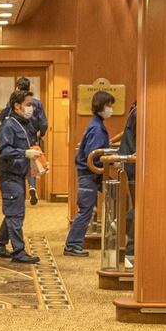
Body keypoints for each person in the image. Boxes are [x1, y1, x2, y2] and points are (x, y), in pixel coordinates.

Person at [0, 90, 43, 264]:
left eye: (32, 105)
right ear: (17, 106)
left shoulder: (26, 124)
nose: (32, 108)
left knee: (13, 212)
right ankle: (19, 252)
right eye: (28, 105)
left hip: (19, 175)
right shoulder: (7, 126)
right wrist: (24, 153)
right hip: (9, 177)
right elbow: (5, 151)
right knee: (16, 214)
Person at [64, 91, 114, 257]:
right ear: (100, 106)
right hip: (89, 174)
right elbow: (92, 154)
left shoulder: (96, 124)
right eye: (108, 105)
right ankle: (72, 244)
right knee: (85, 210)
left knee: (89, 208)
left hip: (91, 175)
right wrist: (109, 159)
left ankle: (74, 243)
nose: (110, 109)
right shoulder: (97, 128)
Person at [0, 77, 48, 205]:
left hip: (18, 138)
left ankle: (26, 188)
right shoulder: (35, 103)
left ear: (18, 87)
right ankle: (32, 186)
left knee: (25, 159)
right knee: (29, 161)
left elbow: (1, 117)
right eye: (28, 105)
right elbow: (43, 123)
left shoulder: (12, 104)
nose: (30, 107)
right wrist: (41, 133)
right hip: (30, 136)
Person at [118, 102, 138, 268]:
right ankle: (131, 250)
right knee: (139, 209)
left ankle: (130, 248)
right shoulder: (141, 114)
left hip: (132, 169)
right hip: (136, 170)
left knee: (136, 208)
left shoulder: (134, 112)